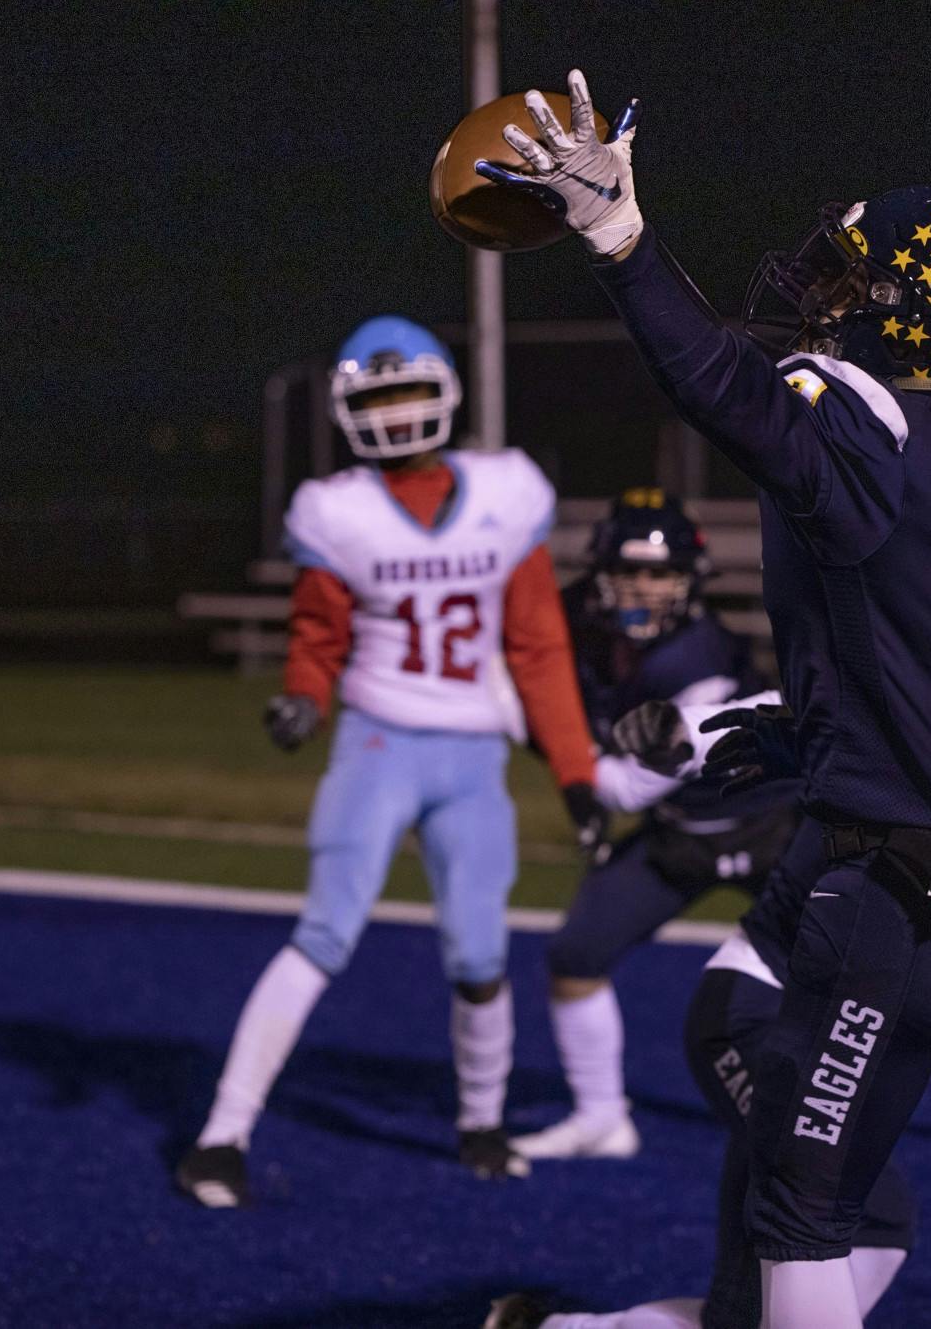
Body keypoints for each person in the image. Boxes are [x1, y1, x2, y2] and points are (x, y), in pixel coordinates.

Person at [480, 74, 931, 1327]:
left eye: (856, 282)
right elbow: (927, 647)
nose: (828, 298)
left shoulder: (864, 426)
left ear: (910, 321)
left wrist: (619, 241)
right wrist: (813, 726)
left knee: (798, 1214)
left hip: (894, 903)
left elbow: (723, 392)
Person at [487, 509, 931, 1329]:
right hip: (770, 1006)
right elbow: (792, 704)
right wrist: (682, 734)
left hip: (885, 1016)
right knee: (805, 1250)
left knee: (872, 1235)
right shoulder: (912, 703)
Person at [174, 316, 606, 1204]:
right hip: (378, 739)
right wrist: (305, 693)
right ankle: (222, 1132)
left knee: (482, 952)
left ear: (445, 390)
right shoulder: (338, 510)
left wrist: (575, 771)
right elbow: (318, 633)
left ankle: (481, 1120)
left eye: (409, 390)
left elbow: (539, 648)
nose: (399, 411)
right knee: (325, 931)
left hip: (472, 753)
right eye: (378, 397)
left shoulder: (504, 489)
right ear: (349, 411)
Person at [514, 488, 800, 1162]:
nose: (645, 586)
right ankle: (601, 1116)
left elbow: (622, 786)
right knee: (577, 954)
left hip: (771, 827)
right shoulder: (587, 636)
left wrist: (545, 736)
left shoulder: (700, 659)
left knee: (861, 968)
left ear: (690, 581)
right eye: (631, 569)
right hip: (679, 834)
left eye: (661, 572)